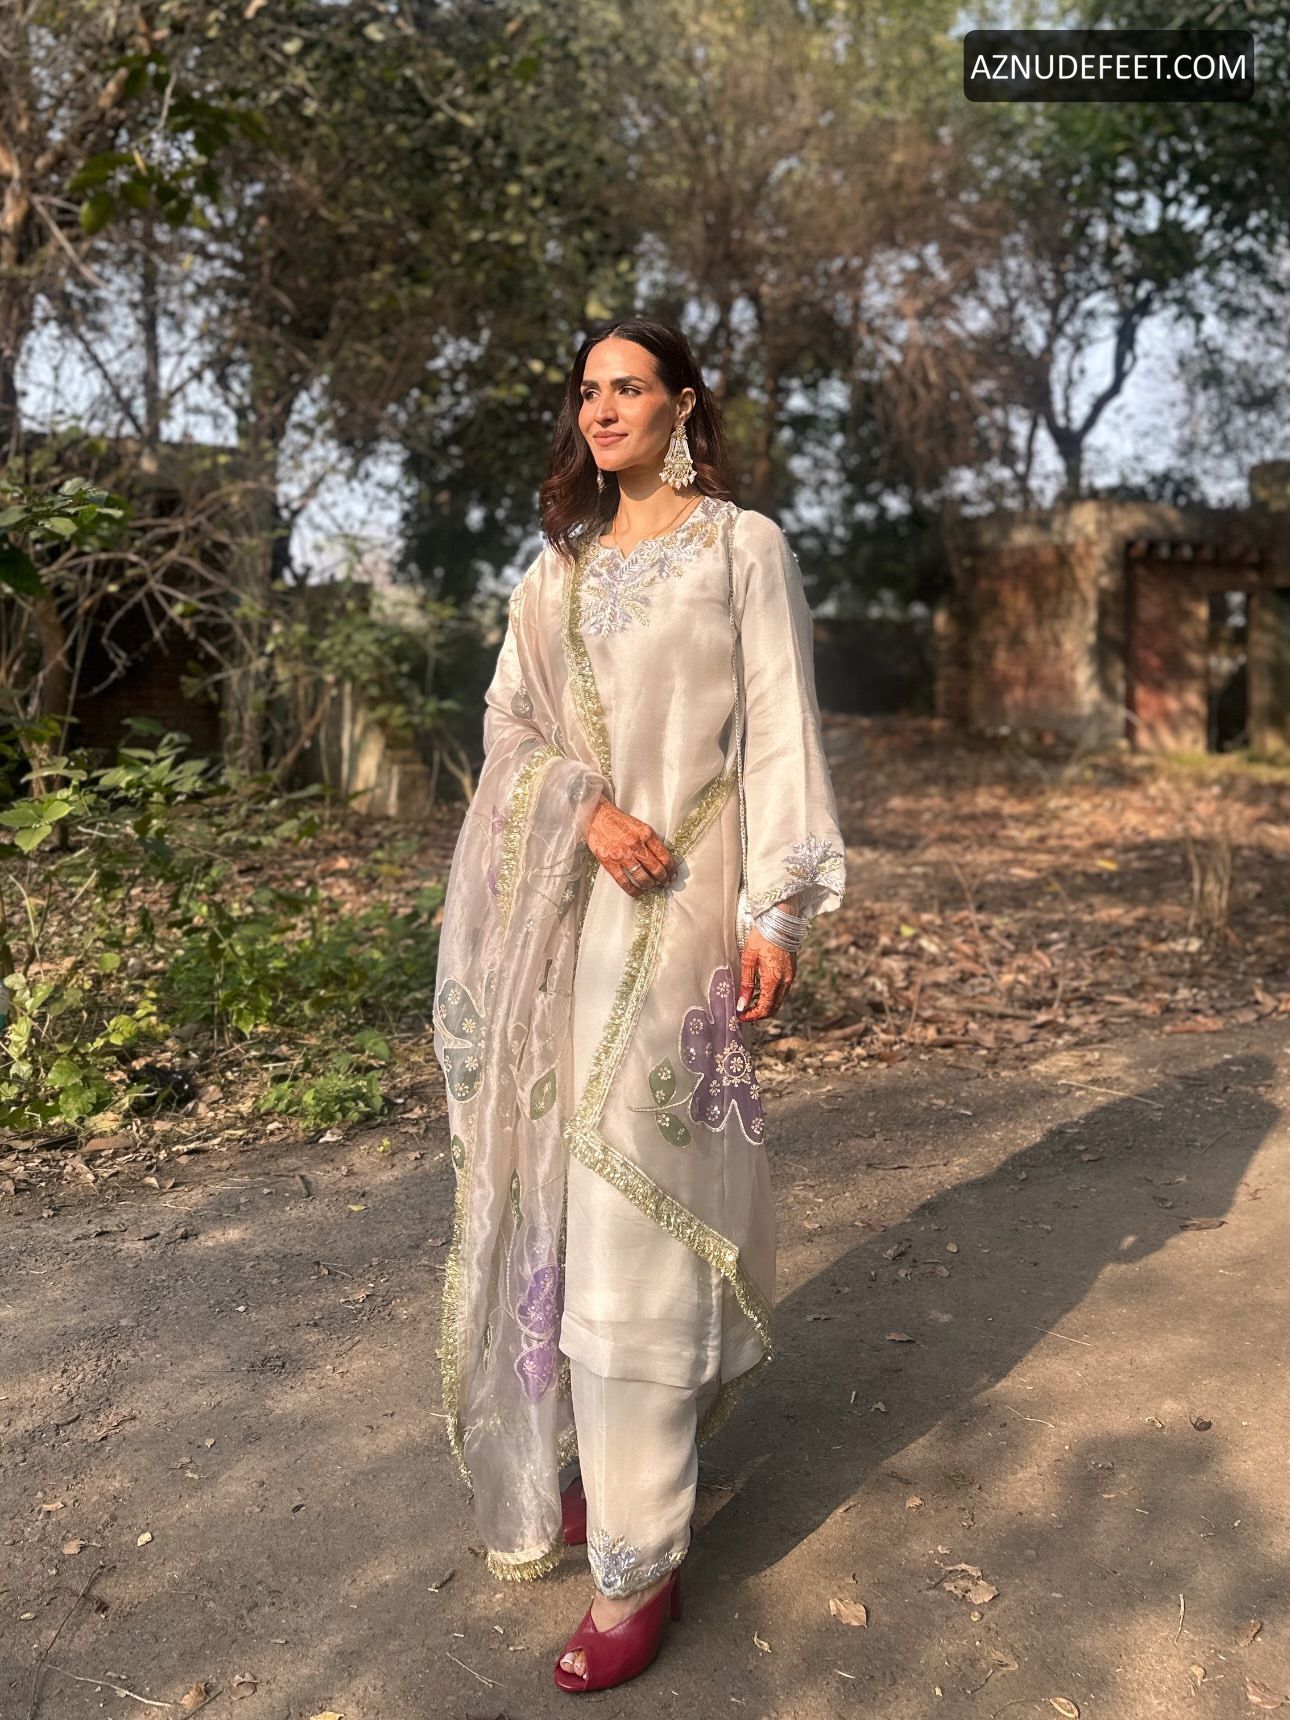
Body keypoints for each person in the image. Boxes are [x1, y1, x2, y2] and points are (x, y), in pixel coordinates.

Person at [432, 316, 846, 1693]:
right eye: (587, 391)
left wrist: (777, 908)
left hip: (685, 921)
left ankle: (639, 1557)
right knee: (564, 1204)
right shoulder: (552, 574)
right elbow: (509, 730)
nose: (602, 408)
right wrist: (585, 811)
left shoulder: (741, 548)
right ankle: (603, 1477)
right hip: (568, 925)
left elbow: (781, 731)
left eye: (628, 387)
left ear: (683, 406)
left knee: (640, 1215)